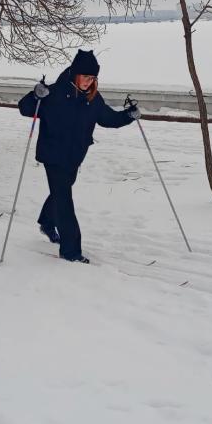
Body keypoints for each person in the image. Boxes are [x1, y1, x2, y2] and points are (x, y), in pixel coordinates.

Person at [18, 49, 139, 263]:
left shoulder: (93, 98)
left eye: (92, 78)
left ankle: (46, 222)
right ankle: (70, 250)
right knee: (64, 199)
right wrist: (35, 94)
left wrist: (128, 116)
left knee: (60, 191)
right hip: (53, 154)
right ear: (75, 73)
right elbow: (26, 108)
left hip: (75, 156)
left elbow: (108, 119)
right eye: (85, 76)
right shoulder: (54, 93)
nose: (88, 81)